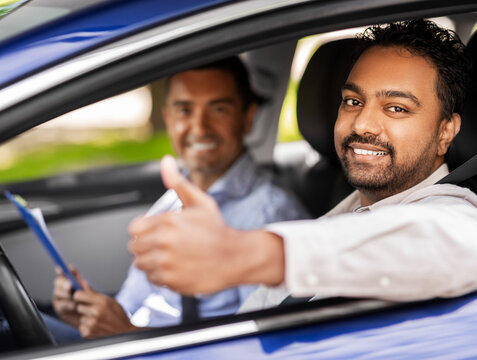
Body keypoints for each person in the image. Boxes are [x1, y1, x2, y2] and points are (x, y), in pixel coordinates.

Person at [127, 19, 477, 311]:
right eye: (352, 101)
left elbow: (463, 243)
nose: (362, 123)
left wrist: (246, 254)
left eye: (396, 108)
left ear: (446, 131)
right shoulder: (341, 217)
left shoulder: (457, 216)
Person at [51, 56, 310, 339]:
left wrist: (128, 333)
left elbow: (258, 346)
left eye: (218, 109)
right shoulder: (172, 199)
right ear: (168, 118)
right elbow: (130, 304)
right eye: (184, 110)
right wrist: (88, 315)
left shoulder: (271, 217)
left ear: (247, 118)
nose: (199, 128)